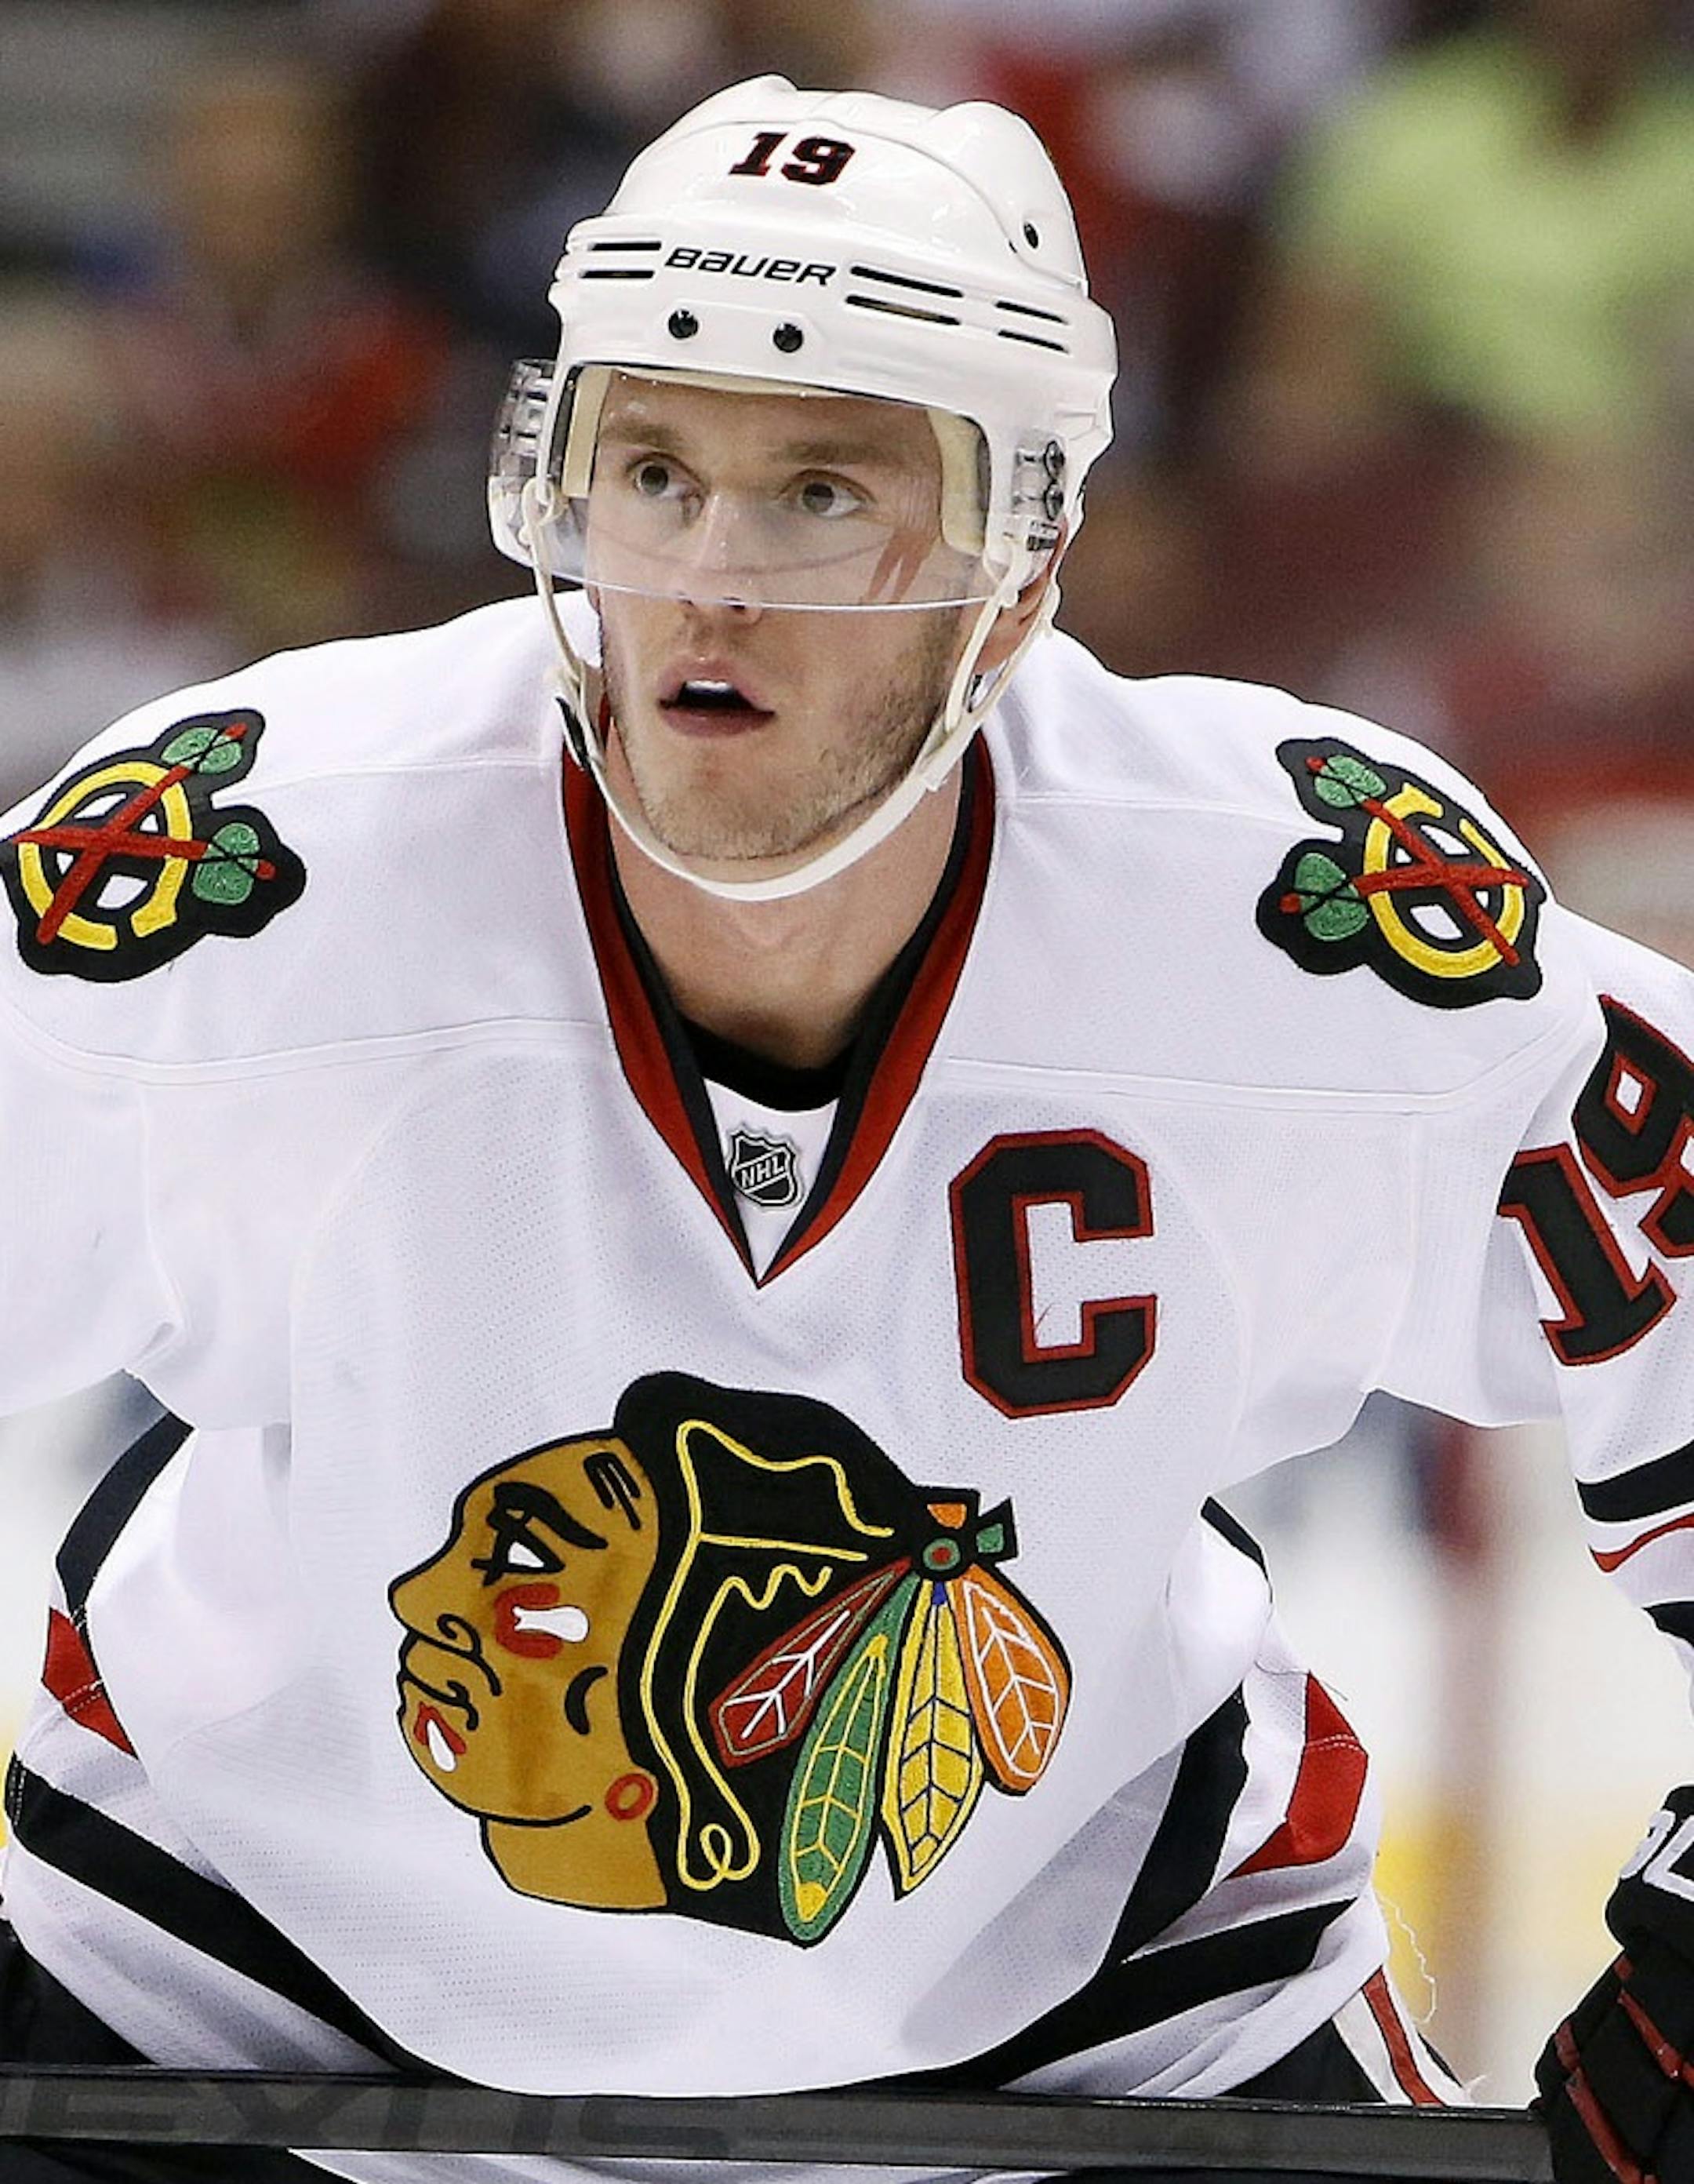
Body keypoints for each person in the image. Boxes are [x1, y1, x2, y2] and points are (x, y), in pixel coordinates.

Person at [0, 72, 1686, 2184]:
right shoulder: (233, 871)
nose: (707, 580)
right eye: (653, 471)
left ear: (1021, 561)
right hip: (219, 1983)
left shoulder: (1306, 917)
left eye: (819, 491)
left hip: (1112, 2032)